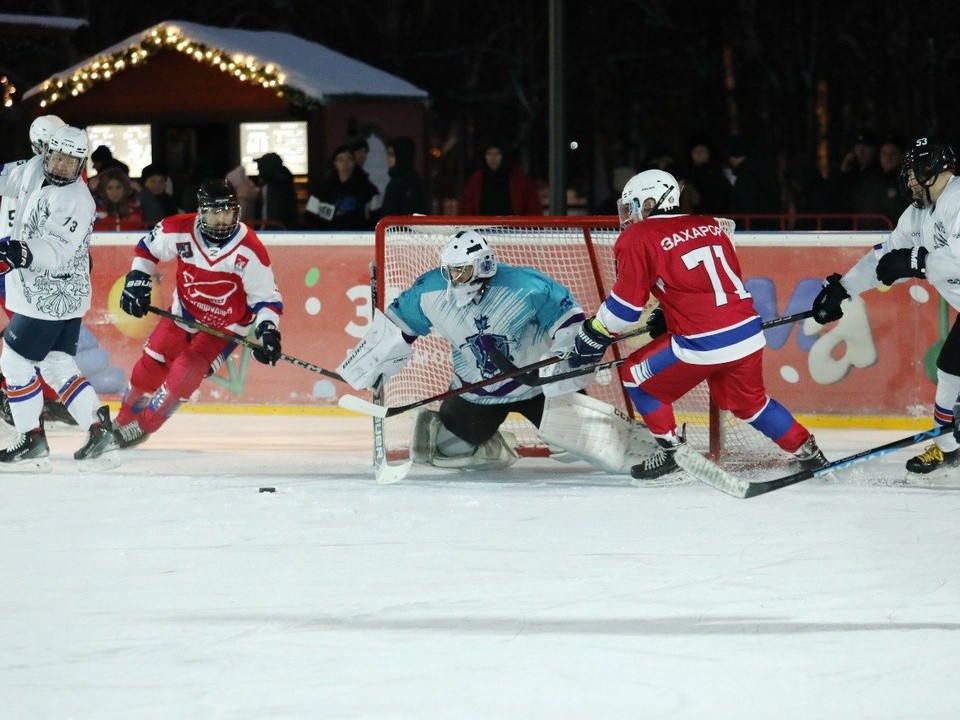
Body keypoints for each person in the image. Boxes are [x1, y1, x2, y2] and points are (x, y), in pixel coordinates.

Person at [565, 168, 829, 481]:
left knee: (635, 376)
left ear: (651, 199)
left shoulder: (638, 236)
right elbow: (707, 283)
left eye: (633, 205)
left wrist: (594, 332)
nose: (629, 215)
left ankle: (672, 452)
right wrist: (669, 310)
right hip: (747, 332)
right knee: (750, 403)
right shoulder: (709, 225)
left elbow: (624, 309)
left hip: (701, 341)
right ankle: (809, 452)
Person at [336, 230, 654, 474]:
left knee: (585, 448)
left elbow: (570, 325)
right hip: (476, 393)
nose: (453, 279)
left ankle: (657, 445)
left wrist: (561, 368)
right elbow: (396, 328)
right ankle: (493, 445)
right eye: (450, 271)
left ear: (483, 266)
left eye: (461, 271)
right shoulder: (431, 290)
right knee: (445, 450)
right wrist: (370, 361)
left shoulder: (527, 286)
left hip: (537, 386)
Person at [811, 136, 960, 476]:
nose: (907, 180)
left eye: (912, 172)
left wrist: (918, 263)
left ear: (933, 171)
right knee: (951, 369)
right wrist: (844, 289)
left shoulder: (958, 199)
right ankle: (950, 448)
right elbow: (885, 257)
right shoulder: (917, 215)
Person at [114, 179, 283, 448]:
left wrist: (269, 333)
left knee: (185, 373)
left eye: (226, 213)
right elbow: (147, 248)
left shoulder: (249, 249)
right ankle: (122, 420)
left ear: (236, 212)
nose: (220, 221)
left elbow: (267, 300)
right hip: (184, 315)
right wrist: (137, 279)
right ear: (201, 212)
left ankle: (144, 426)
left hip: (225, 328)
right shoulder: (178, 229)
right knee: (148, 369)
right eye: (214, 213)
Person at [0, 125, 121, 472]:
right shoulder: (36, 167)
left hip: (53, 294)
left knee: (15, 363)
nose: (62, 166)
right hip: (48, 293)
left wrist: (17, 253)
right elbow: (8, 179)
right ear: (46, 152)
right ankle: (100, 435)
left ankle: (31, 441)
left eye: (72, 161)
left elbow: (54, 250)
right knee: (57, 364)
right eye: (57, 157)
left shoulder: (77, 200)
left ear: (82, 163)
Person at [0, 114, 77, 427]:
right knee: (30, 341)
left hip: (24, 267)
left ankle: (27, 394)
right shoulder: (62, 179)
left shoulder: (10, 170)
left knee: (32, 341)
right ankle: (15, 393)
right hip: (21, 269)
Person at [303, 144, 378, 230]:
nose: (345, 163)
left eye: (349, 159)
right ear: (335, 163)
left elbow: (376, 219)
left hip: (358, 240)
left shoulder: (368, 190)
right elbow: (310, 219)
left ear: (354, 162)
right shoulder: (321, 191)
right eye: (341, 160)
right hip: (328, 240)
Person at [460, 139, 542, 216]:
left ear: (504, 155)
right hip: (481, 230)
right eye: (488, 154)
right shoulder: (477, 179)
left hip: (514, 230)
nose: (492, 158)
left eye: (497, 154)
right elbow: (467, 208)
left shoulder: (519, 178)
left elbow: (532, 208)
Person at [379, 136, 428, 216]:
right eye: (388, 154)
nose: (388, 158)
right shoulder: (416, 181)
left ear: (401, 155)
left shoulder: (400, 184)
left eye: (392, 155)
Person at [253, 152, 298, 229]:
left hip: (272, 232)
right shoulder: (285, 182)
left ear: (267, 167)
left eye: (260, 165)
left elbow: (270, 214)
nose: (258, 168)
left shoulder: (271, 186)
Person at [92, 167, 144, 231]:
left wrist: (142, 192)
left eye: (118, 187)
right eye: (110, 188)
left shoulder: (136, 208)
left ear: (125, 189)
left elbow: (154, 219)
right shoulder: (94, 211)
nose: (115, 192)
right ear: (103, 191)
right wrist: (89, 192)